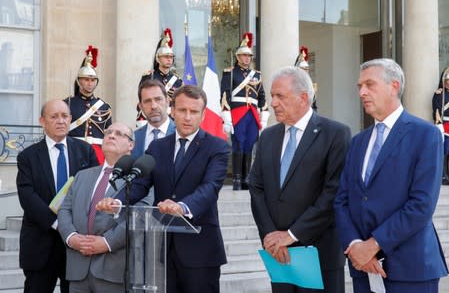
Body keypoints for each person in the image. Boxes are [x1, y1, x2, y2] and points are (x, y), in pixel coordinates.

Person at [97, 85, 230, 293]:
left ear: (203, 115)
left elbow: (210, 188)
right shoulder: (158, 147)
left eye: (194, 112)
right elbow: (141, 183)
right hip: (166, 251)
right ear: (173, 111)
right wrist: (118, 201)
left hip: (201, 250)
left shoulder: (217, 147)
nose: (187, 117)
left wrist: (183, 207)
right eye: (182, 110)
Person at [334, 58, 448, 293]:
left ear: (394, 86)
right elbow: (342, 200)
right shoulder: (358, 142)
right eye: (359, 87)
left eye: (369, 84)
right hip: (364, 269)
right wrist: (356, 246)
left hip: (411, 270)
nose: (362, 92)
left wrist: (374, 244)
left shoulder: (425, 134)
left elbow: (421, 205)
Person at [249, 66, 351, 293]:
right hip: (278, 254)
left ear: (303, 98)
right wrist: (271, 236)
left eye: (280, 96)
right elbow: (256, 188)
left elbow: (333, 192)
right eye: (272, 96)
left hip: (319, 253)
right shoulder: (268, 136)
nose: (272, 103)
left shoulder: (335, 134)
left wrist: (292, 235)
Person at [16, 99, 98, 293]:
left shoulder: (85, 151)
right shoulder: (27, 157)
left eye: (65, 116)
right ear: (42, 121)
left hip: (76, 246)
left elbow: (94, 190)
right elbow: (27, 197)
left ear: (70, 119)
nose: (60, 121)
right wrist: (59, 225)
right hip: (40, 244)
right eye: (54, 116)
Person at [58, 122, 134, 293]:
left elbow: (139, 216)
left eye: (119, 134)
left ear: (131, 145)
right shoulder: (82, 175)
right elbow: (64, 210)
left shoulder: (139, 178)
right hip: (78, 269)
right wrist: (71, 237)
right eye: (108, 132)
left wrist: (107, 242)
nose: (111, 136)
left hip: (114, 270)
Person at [221, 32, 269, 190]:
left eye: (249, 56)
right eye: (244, 55)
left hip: (252, 114)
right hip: (238, 113)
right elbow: (225, 96)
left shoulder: (257, 75)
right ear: (238, 56)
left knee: (249, 145)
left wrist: (263, 118)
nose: (247, 58)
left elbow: (262, 98)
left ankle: (246, 177)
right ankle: (236, 178)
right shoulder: (230, 73)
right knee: (238, 145)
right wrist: (227, 118)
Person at [64, 45, 112, 164]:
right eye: (86, 80)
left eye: (92, 80)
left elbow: (108, 135)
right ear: (79, 81)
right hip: (74, 151)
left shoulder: (104, 106)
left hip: (98, 153)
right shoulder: (67, 103)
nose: (90, 83)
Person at [137, 28, 183, 126]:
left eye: (171, 57)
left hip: (172, 120)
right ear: (158, 58)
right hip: (153, 117)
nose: (169, 60)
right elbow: (142, 100)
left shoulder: (177, 81)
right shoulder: (149, 77)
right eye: (166, 57)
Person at [132, 79, 175, 159]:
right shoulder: (133, 138)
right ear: (140, 106)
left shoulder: (181, 134)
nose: (153, 106)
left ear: (167, 101)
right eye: (147, 101)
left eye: (158, 99)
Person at [432, 68, 449, 185]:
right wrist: (438, 124)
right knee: (444, 152)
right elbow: (437, 109)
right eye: (447, 81)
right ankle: (443, 175)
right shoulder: (439, 94)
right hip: (445, 126)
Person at [294, 46, 317, 111]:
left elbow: (313, 103)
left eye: (307, 69)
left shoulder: (310, 83)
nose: (306, 71)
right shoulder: (295, 83)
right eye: (304, 69)